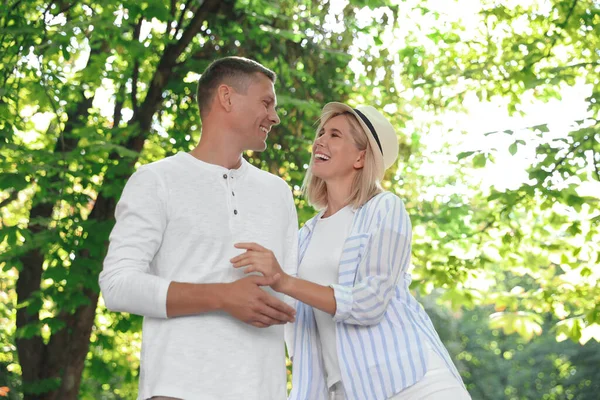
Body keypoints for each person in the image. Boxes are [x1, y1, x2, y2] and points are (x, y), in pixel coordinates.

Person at [231, 102, 472, 400]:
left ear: (360, 157)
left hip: (412, 381)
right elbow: (295, 322)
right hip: (349, 391)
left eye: (335, 135)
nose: (319, 140)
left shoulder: (384, 208)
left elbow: (369, 301)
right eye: (320, 133)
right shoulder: (304, 237)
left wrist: (283, 280)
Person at [99, 56, 298, 400]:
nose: (275, 116)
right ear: (227, 97)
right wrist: (222, 296)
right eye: (266, 102)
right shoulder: (156, 180)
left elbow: (292, 302)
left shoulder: (278, 193)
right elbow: (117, 285)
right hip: (178, 389)